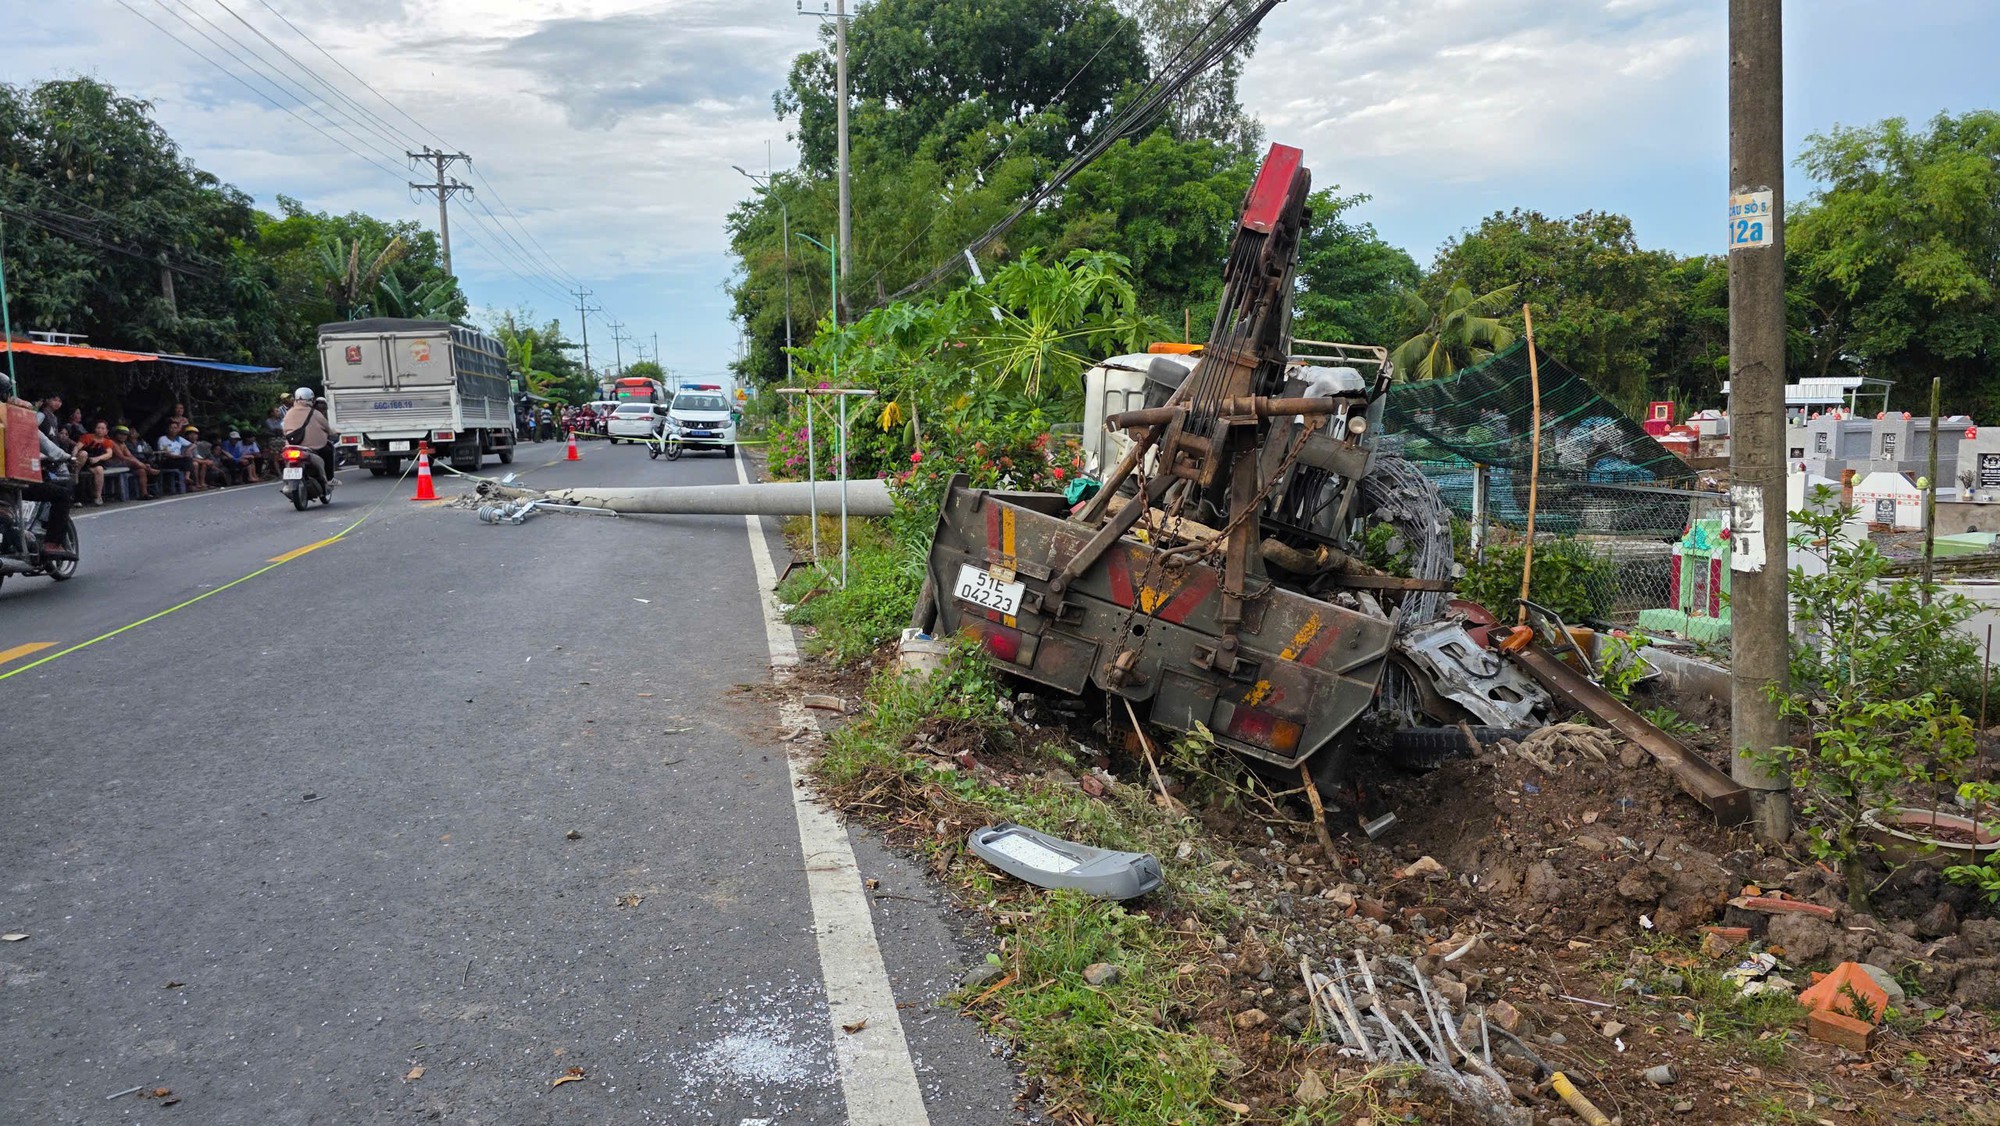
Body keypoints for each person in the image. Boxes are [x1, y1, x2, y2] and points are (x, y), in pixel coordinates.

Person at [280, 388, 339, 489]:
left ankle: (287, 484)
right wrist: (334, 433)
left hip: (292, 446)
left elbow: (284, 429)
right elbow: (327, 428)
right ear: (311, 399)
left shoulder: (289, 413)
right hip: (313, 447)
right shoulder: (315, 413)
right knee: (328, 451)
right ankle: (329, 479)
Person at [74, 420, 119, 504]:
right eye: (98, 428)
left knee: (99, 469)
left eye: (102, 428)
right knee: (84, 453)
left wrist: (98, 458)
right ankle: (75, 473)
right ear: (95, 429)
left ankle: (98, 496)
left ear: (106, 431)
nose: (100, 430)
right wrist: (73, 457)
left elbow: (109, 454)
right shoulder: (87, 437)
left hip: (94, 462)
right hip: (81, 461)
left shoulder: (107, 442)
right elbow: (77, 447)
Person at [109, 425, 158, 497]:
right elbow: (121, 457)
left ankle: (144, 494)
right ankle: (149, 469)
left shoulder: (123, 444)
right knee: (133, 462)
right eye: (120, 434)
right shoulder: (112, 442)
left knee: (142, 471)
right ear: (115, 434)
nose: (123, 436)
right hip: (113, 464)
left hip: (124, 464)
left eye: (125, 435)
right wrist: (138, 463)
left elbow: (130, 456)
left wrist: (140, 463)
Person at [155, 421, 195, 485]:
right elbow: (166, 454)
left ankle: (187, 478)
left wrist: (188, 451)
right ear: (167, 429)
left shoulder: (178, 438)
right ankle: (187, 481)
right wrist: (180, 456)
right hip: (167, 460)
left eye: (175, 428)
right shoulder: (163, 439)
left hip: (178, 459)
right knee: (189, 461)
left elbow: (193, 445)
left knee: (190, 460)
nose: (174, 430)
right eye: (171, 428)